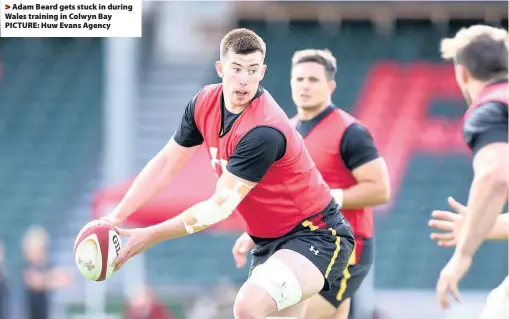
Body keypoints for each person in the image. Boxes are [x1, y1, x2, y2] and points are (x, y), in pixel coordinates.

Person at [101, 28, 355, 319]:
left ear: (262, 72)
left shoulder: (263, 131)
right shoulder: (203, 103)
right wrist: (115, 217)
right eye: (236, 69)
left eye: (252, 70)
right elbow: (165, 164)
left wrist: (146, 237)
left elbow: (218, 207)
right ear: (221, 69)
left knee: (247, 305)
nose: (244, 79)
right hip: (271, 243)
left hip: (316, 235)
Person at [232, 49, 390, 319]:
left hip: (344, 247)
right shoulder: (285, 133)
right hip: (300, 244)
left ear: (330, 86)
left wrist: (328, 198)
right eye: (300, 79)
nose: (305, 85)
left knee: (278, 312)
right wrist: (252, 234)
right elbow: (284, 198)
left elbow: (380, 189)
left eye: (313, 80)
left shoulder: (350, 132)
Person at [433, 24, 508, 316]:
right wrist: (480, 225)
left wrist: (462, 255)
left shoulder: (491, 108)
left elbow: (495, 176)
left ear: (462, 73)